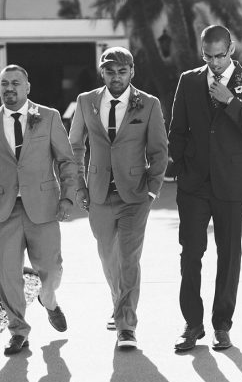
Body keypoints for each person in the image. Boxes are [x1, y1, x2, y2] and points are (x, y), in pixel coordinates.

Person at [168, 24, 242, 352]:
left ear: (232, 49)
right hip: (193, 185)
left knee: (229, 255)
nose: (213, 62)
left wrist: (231, 103)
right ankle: (192, 324)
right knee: (190, 254)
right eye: (207, 56)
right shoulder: (188, 80)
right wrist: (182, 166)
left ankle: (221, 325)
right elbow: (177, 130)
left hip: (231, 183)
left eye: (219, 56)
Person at [0, 65, 77, 355]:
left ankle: (48, 299)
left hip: (44, 207)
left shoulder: (49, 116)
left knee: (52, 269)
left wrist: (67, 198)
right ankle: (18, 331)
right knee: (8, 274)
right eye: (4, 83)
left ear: (28, 87)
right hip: (3, 211)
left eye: (15, 83)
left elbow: (66, 161)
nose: (9, 88)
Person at [69, 46, 168, 349]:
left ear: (132, 72)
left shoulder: (148, 104)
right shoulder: (85, 101)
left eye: (122, 71)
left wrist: (151, 189)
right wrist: (79, 186)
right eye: (110, 71)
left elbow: (159, 150)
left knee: (128, 258)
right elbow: (75, 147)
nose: (116, 77)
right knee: (107, 256)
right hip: (98, 193)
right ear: (102, 72)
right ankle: (118, 302)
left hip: (135, 195)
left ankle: (126, 326)